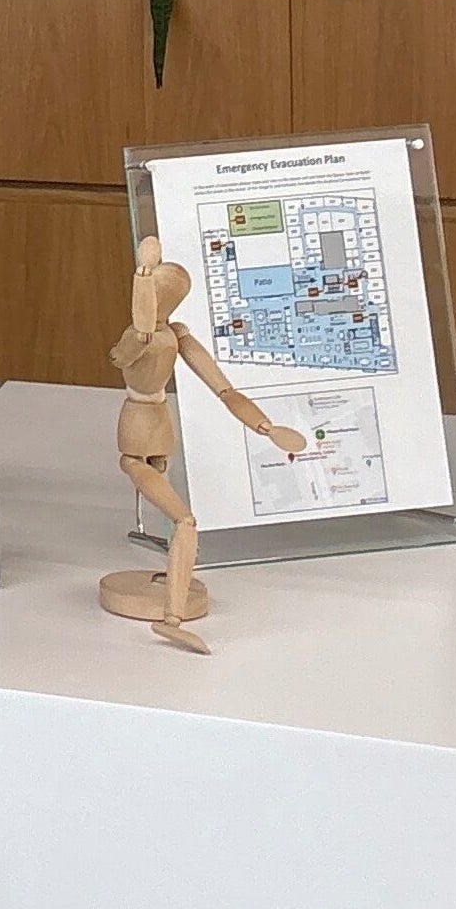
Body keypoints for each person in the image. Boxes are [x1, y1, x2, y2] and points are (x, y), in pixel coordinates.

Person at [106, 234, 308, 653]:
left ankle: (172, 592)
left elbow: (224, 389)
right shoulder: (140, 337)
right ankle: (172, 618)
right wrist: (143, 274)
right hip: (137, 432)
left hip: (160, 430)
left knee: (174, 514)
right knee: (184, 521)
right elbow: (129, 347)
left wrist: (264, 426)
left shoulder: (175, 335)